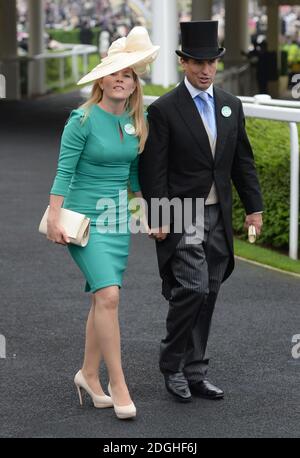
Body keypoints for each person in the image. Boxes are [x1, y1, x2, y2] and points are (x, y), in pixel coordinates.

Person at [139, 21, 263, 403]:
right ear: (183, 63)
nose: (205, 70)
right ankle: (171, 363)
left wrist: (254, 209)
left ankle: (195, 371)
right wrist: (158, 215)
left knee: (208, 292)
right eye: (197, 62)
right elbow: (153, 170)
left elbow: (243, 161)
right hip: (181, 213)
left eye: (211, 62)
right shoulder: (164, 110)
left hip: (219, 217)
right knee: (192, 287)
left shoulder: (230, 104)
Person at [47, 26, 159, 419]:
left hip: (116, 218)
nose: (120, 79)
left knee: (102, 297)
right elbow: (64, 172)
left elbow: (131, 175)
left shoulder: (135, 121)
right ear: (102, 78)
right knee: (109, 295)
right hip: (83, 217)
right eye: (115, 72)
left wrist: (143, 209)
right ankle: (118, 382)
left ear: (133, 84)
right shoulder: (81, 119)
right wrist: (54, 216)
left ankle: (88, 375)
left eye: (128, 74)